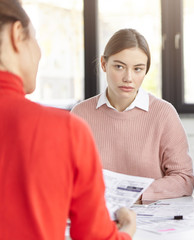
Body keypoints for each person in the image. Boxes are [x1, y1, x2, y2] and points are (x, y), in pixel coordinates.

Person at [0, 0, 136, 239]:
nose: (39, 53)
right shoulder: (63, 129)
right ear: (16, 34)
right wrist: (127, 230)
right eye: (36, 39)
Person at [71, 28, 194, 201]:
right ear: (104, 64)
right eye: (119, 67)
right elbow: (68, 175)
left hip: (152, 217)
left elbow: (184, 179)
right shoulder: (80, 114)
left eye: (137, 69)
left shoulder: (163, 114)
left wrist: (134, 194)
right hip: (96, 214)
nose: (128, 78)